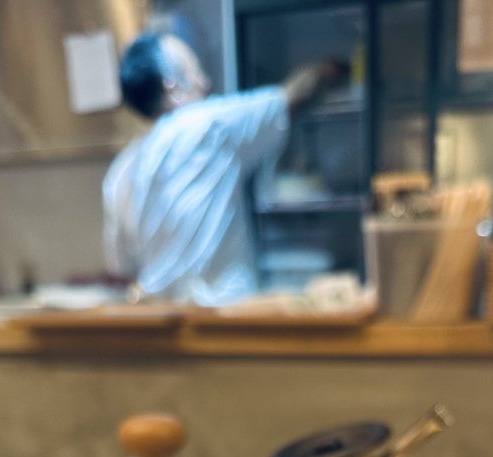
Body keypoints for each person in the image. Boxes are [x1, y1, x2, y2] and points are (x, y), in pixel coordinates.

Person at [102, 32, 345, 305]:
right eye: (195, 72)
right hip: (220, 321)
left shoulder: (120, 171)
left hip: (161, 325)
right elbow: (293, 96)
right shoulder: (208, 125)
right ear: (173, 88)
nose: (205, 83)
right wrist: (331, 68)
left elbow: (121, 269)